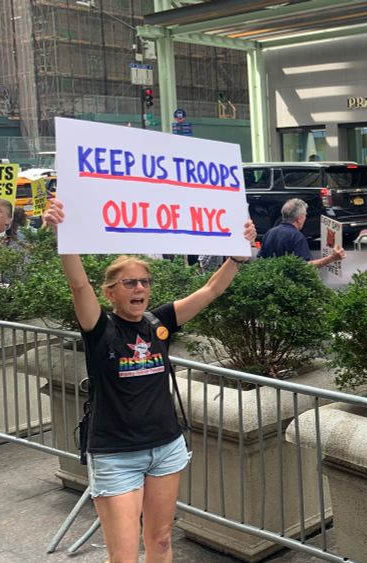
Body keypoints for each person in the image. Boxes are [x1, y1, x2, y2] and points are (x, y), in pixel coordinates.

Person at [41, 199, 256, 563]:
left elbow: (210, 291)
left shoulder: (158, 322)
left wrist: (237, 256)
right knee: (124, 556)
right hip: (116, 455)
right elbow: (78, 286)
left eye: (144, 281)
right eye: (129, 283)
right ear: (110, 292)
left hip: (166, 449)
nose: (139, 288)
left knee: (159, 543)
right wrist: (65, 235)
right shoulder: (100, 328)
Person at [258, 198, 346, 267]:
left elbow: (260, 259)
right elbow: (305, 266)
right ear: (299, 219)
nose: (305, 219)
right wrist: (331, 258)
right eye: (305, 216)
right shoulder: (296, 236)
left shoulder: (269, 233)